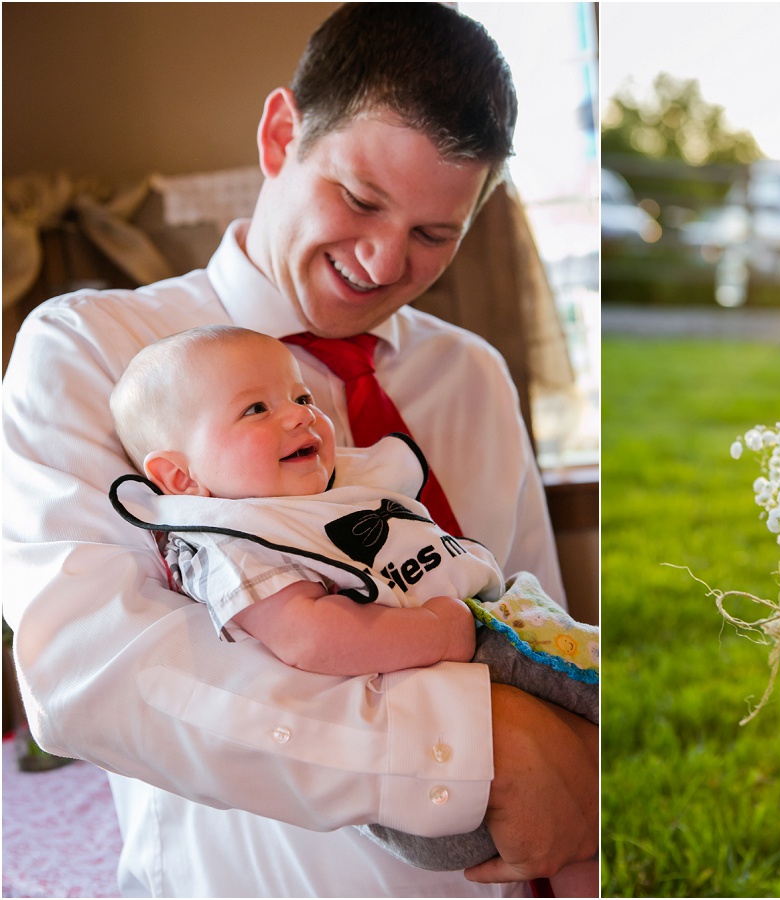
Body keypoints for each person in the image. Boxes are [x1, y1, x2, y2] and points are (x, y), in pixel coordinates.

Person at [2, 4, 598, 897]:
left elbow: (522, 607)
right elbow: (93, 671)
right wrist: (486, 747)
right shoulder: (93, 353)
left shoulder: (473, 376)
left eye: (437, 234)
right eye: (359, 200)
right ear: (281, 135)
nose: (384, 259)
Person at [107, 324, 599, 894]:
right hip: (451, 701)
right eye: (256, 410)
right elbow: (311, 636)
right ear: (180, 476)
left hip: (491, 643)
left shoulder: (327, 494)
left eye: (301, 398)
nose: (297, 416)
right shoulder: (236, 546)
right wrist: (442, 632)